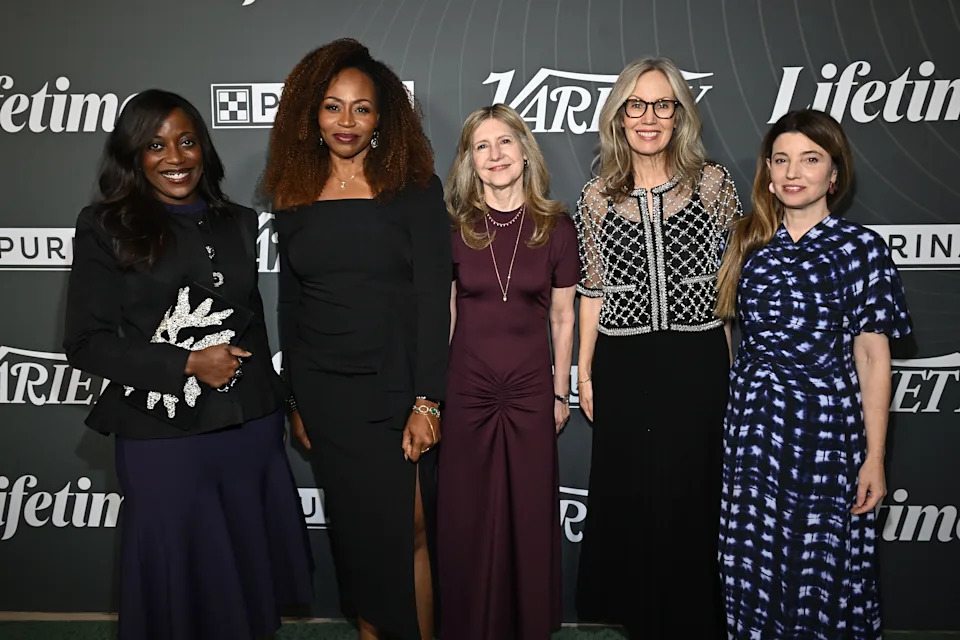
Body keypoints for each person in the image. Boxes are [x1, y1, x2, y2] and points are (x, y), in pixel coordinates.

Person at [63, 89, 313, 640]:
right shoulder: (105, 225)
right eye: (155, 145)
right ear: (132, 155)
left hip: (249, 428)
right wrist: (188, 363)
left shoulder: (241, 221)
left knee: (245, 573)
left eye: (187, 141)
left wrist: (286, 405)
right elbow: (85, 344)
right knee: (175, 583)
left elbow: (256, 325)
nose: (175, 157)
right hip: (162, 435)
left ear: (204, 148)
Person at [263, 39, 451, 640]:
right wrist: (294, 400)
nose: (346, 122)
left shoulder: (415, 189)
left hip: (397, 389)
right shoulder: (292, 196)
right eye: (332, 107)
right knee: (357, 535)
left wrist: (428, 399)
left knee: (409, 531)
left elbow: (432, 300)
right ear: (310, 116)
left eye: (361, 109)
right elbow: (289, 303)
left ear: (382, 117)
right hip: (325, 394)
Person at [715, 109, 911, 639]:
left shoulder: (861, 249)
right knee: (752, 559)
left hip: (826, 434)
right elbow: (736, 342)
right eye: (781, 159)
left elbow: (873, 357)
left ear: (834, 174)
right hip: (755, 431)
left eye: (810, 159)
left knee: (823, 564)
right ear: (768, 171)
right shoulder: (747, 245)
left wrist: (874, 456)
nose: (793, 172)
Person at [572, 57, 741, 638]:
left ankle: (697, 622)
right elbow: (591, 290)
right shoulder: (596, 198)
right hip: (624, 364)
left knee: (694, 493)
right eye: (636, 105)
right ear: (619, 116)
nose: (649, 117)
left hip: (696, 362)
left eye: (663, 104)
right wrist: (585, 373)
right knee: (634, 496)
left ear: (680, 114)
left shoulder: (714, 184)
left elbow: (733, 283)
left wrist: (734, 362)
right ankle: (642, 622)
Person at [438, 104, 578, 640]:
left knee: (529, 512)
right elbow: (449, 312)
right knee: (465, 513)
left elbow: (563, 316)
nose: (495, 155)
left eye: (505, 143)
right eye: (482, 146)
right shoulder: (455, 229)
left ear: (525, 152)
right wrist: (439, 390)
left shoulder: (556, 228)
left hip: (529, 391)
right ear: (470, 161)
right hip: (467, 387)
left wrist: (559, 391)